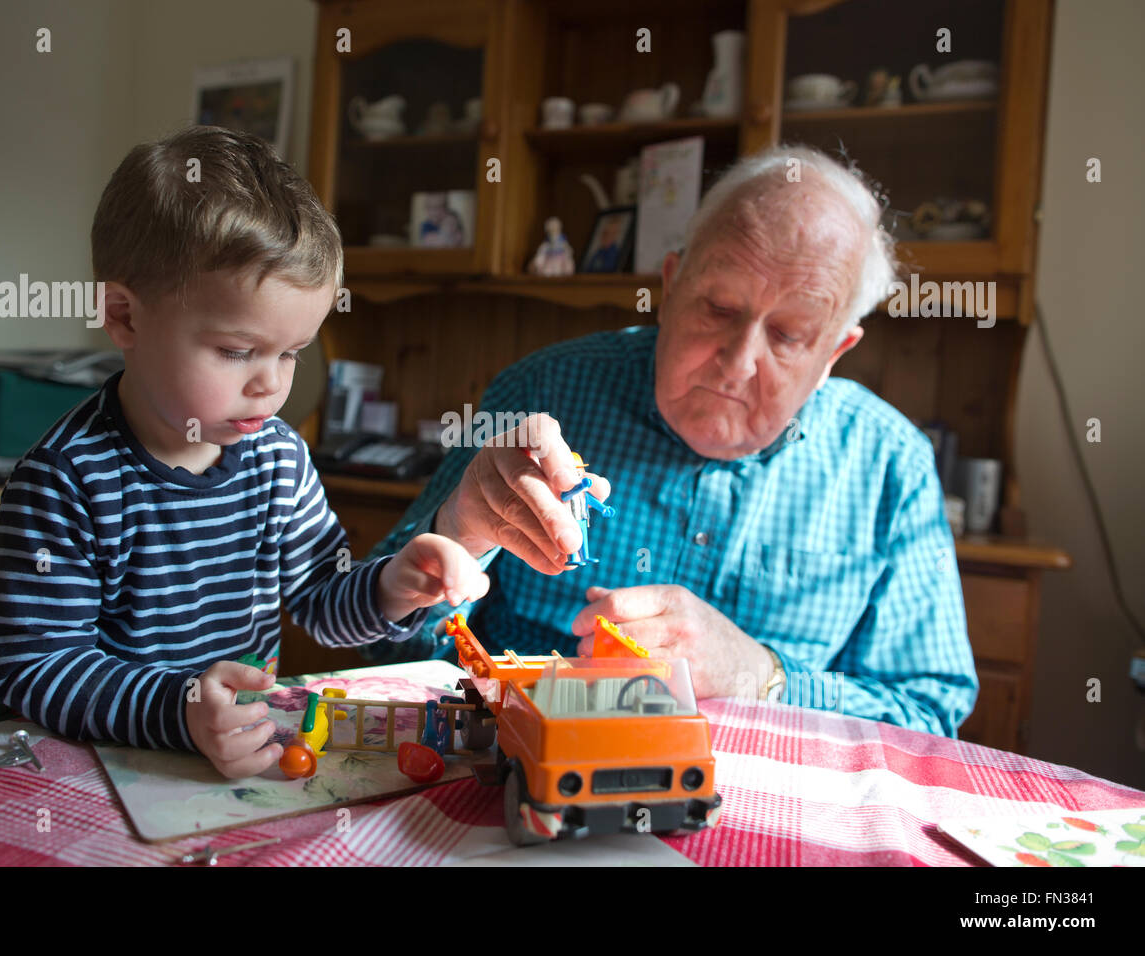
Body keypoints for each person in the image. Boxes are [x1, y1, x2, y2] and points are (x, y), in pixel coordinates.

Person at [366, 145, 978, 738]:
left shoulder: (891, 465)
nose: (738, 363)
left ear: (834, 353)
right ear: (671, 283)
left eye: (789, 335)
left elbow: (930, 718)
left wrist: (763, 676)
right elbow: (375, 643)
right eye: (718, 308)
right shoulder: (542, 391)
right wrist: (460, 533)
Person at [0, 126, 488, 777]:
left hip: (199, 758)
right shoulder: (64, 478)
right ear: (124, 316)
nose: (272, 383)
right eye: (237, 352)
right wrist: (179, 710)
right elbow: (39, 670)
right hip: (52, 757)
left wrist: (390, 589)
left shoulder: (278, 459)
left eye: (290, 353)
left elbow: (320, 600)